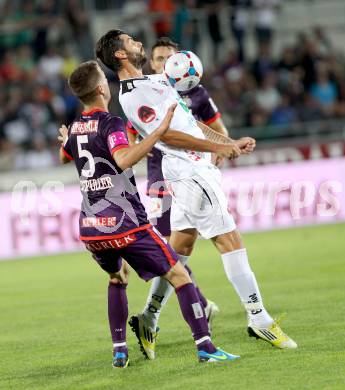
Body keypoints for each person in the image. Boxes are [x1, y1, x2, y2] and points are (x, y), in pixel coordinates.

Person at [95, 30, 297, 360]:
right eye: (131, 42)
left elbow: (189, 123)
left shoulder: (155, 82)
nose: (138, 44)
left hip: (193, 171)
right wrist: (221, 145)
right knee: (229, 240)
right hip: (190, 173)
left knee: (180, 248)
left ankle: (148, 318)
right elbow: (172, 137)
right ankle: (259, 318)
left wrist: (224, 142)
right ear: (119, 54)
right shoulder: (132, 96)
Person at [58, 60, 240, 367]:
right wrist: (158, 133)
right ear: (102, 88)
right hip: (124, 223)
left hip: (91, 226)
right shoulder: (111, 123)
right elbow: (124, 158)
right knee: (179, 275)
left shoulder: (76, 126)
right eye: (105, 78)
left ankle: (119, 349)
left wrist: (67, 142)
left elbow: (65, 156)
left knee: (118, 277)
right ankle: (206, 347)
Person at [127, 37, 228, 344]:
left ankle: (173, 311)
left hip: (190, 182)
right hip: (160, 184)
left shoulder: (197, 94)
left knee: (175, 251)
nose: (164, 63)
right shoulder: (148, 93)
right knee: (170, 252)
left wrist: (209, 166)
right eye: (158, 58)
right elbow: (133, 141)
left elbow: (221, 134)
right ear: (153, 63)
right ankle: (196, 303)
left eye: (170, 57)